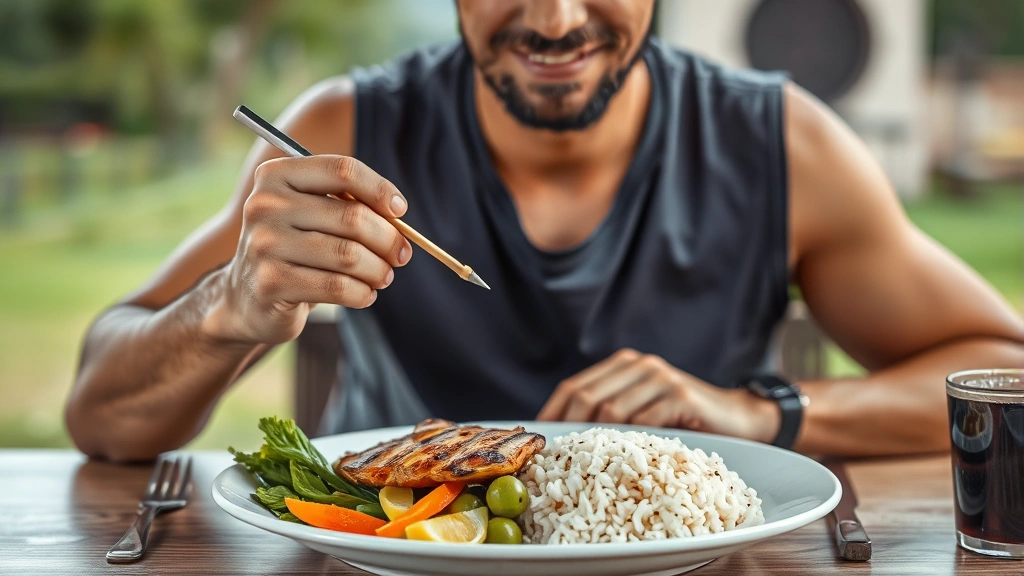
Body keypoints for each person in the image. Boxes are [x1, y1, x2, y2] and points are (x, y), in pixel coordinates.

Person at [66, 1, 1024, 462]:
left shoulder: (783, 143)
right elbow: (101, 417)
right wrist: (229, 307)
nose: (557, 20)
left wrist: (764, 413)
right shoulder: (344, 132)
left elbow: (1004, 373)